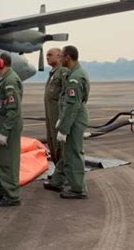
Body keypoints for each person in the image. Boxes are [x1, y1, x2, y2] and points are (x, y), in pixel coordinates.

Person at [0, 52, 23, 207]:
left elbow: (13, 110)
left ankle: (12, 196)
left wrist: (5, 132)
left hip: (7, 127)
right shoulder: (3, 80)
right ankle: (1, 188)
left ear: (1, 63)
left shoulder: (10, 82)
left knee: (7, 161)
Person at [55, 45, 90, 199]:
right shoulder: (74, 73)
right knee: (70, 152)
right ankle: (73, 184)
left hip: (75, 118)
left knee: (74, 152)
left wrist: (64, 128)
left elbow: (72, 106)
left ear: (68, 58)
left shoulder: (75, 78)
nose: (59, 58)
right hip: (74, 116)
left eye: (61, 55)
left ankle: (78, 189)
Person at [43, 48, 68, 183]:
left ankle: (61, 177)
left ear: (59, 56)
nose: (47, 57)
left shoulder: (62, 72)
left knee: (59, 146)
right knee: (52, 143)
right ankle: (58, 173)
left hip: (57, 116)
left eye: (50, 55)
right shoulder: (53, 73)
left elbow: (66, 95)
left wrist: (62, 117)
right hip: (50, 115)